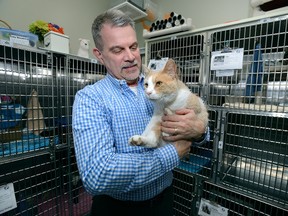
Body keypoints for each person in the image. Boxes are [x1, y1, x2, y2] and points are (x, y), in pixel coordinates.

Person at [72, 9, 209, 216]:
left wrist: (199, 132)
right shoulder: (90, 99)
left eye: (134, 47)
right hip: (118, 209)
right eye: (118, 50)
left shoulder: (158, 80)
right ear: (100, 55)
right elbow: (97, 175)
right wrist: (171, 154)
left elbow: (195, 119)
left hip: (164, 201)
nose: (130, 57)